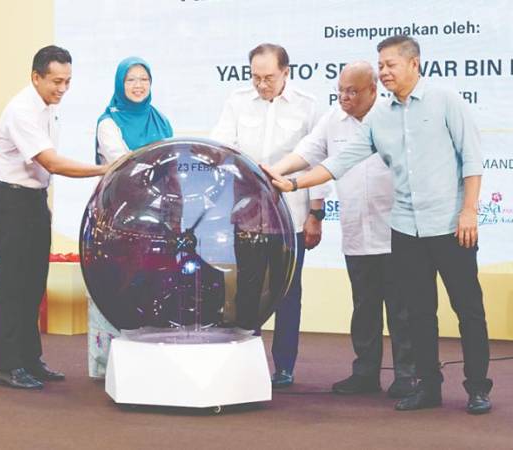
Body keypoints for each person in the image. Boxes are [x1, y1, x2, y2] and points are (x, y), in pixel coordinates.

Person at [263, 35, 492, 414]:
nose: (385, 71)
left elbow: (472, 160)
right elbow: (339, 160)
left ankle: (478, 388)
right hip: (404, 229)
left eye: (391, 65)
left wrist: (469, 211)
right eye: (381, 65)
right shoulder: (380, 118)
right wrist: (292, 182)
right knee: (418, 313)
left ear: (414, 64)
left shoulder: (445, 101)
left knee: (468, 308)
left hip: (451, 225)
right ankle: (427, 387)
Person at [0, 45, 108, 390]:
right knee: (12, 283)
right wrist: (104, 169)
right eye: (56, 81)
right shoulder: (21, 110)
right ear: (35, 77)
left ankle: (29, 360)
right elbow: (51, 162)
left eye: (67, 82)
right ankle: (8, 367)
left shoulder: (49, 107)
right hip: (6, 199)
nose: (62, 89)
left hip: (32, 199)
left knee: (34, 282)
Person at [293, 61, 416, 398]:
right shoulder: (333, 119)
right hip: (356, 230)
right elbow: (309, 154)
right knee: (364, 308)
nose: (345, 97)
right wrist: (278, 172)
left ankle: (407, 375)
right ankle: (365, 373)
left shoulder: (394, 116)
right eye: (341, 91)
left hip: (397, 230)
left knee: (401, 309)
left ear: (373, 90)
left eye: (352, 91)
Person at [210, 43, 330, 388]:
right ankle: (245, 360)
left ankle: (284, 367)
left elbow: (318, 160)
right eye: (256, 77)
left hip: (290, 216)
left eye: (269, 78)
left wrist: (315, 214)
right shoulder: (237, 101)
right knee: (247, 290)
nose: (261, 85)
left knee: (288, 292)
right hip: (246, 213)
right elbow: (221, 144)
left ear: (286, 73)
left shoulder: (307, 106)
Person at [88, 56, 174, 378]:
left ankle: (147, 363)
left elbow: (172, 165)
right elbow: (126, 165)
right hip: (118, 220)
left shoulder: (161, 121)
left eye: (144, 80)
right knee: (114, 284)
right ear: (119, 84)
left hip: (157, 219)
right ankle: (107, 365)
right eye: (131, 80)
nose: (138, 86)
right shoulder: (108, 122)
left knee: (152, 285)